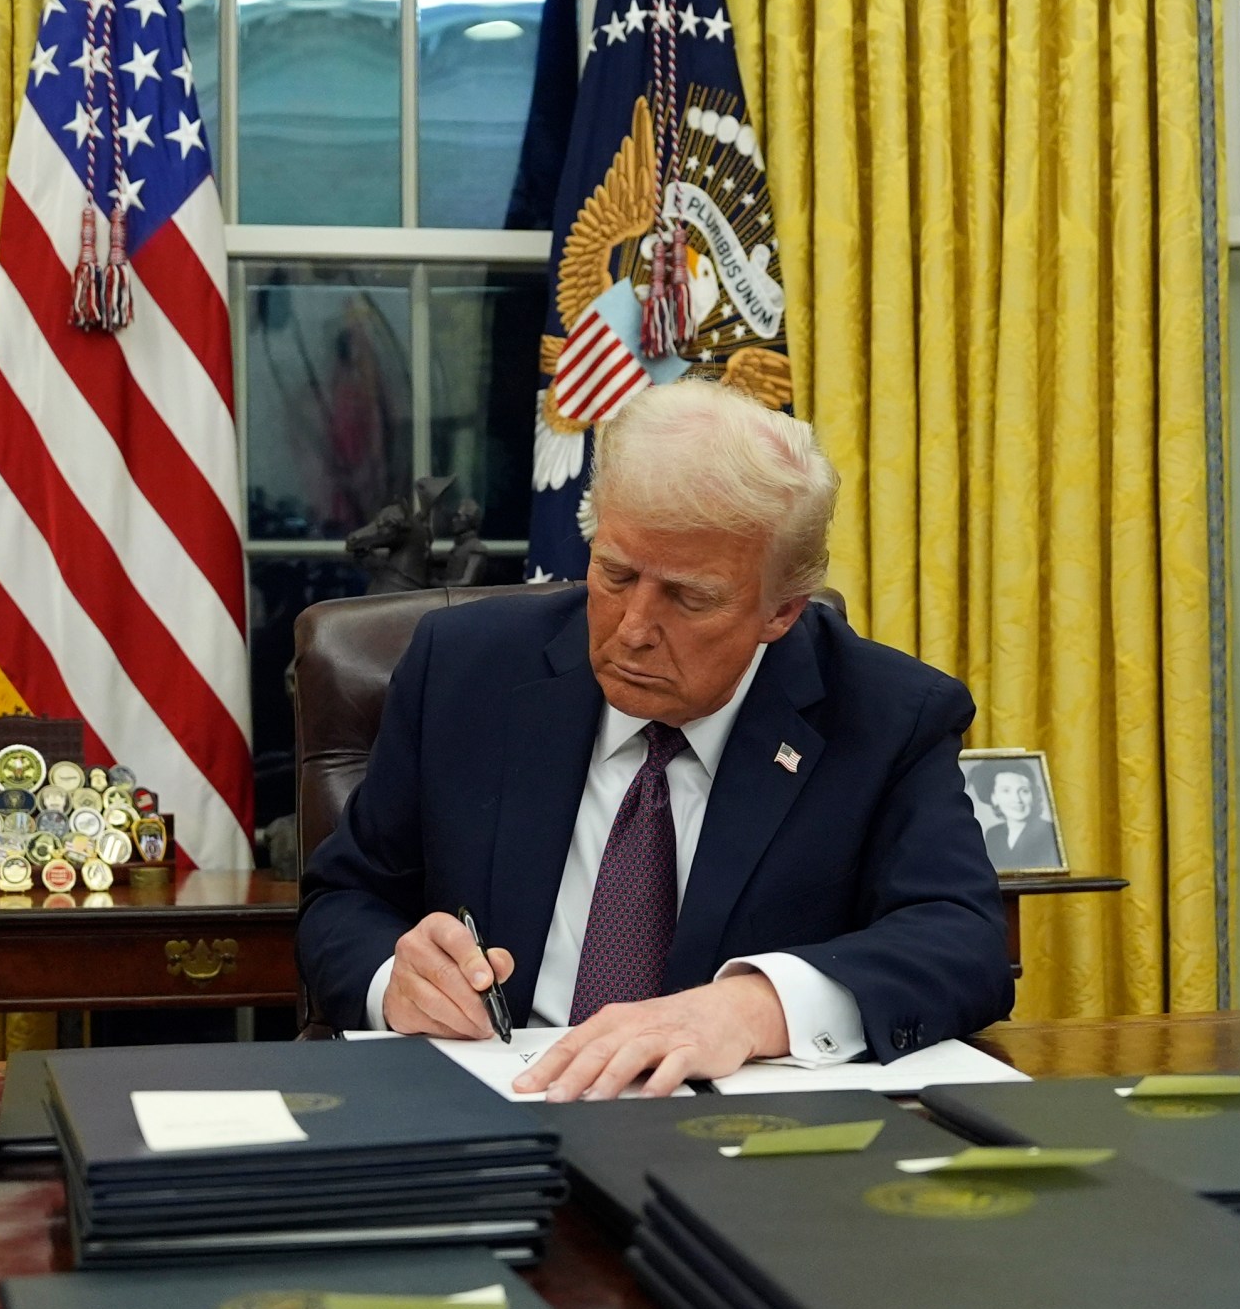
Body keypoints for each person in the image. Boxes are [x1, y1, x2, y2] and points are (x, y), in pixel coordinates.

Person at [297, 379, 1011, 1101]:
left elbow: (962, 943)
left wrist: (754, 1007)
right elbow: (344, 900)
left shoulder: (886, 714)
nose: (633, 628)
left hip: (736, 1142)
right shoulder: (465, 670)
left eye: (689, 596)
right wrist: (398, 981)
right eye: (615, 573)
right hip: (493, 1105)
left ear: (782, 611)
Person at [968, 762, 1060, 871]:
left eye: (1024, 791)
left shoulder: (1049, 832)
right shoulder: (993, 834)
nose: (1017, 799)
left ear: (1034, 795)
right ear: (994, 797)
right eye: (1006, 791)